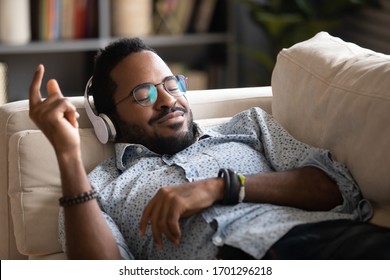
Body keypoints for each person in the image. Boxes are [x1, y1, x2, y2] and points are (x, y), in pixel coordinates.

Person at [29, 37, 389, 260]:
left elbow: (336, 188)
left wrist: (220, 187)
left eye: (171, 84)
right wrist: (67, 155)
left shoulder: (248, 126)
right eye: (144, 94)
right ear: (108, 119)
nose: (168, 100)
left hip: (335, 244)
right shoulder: (99, 191)